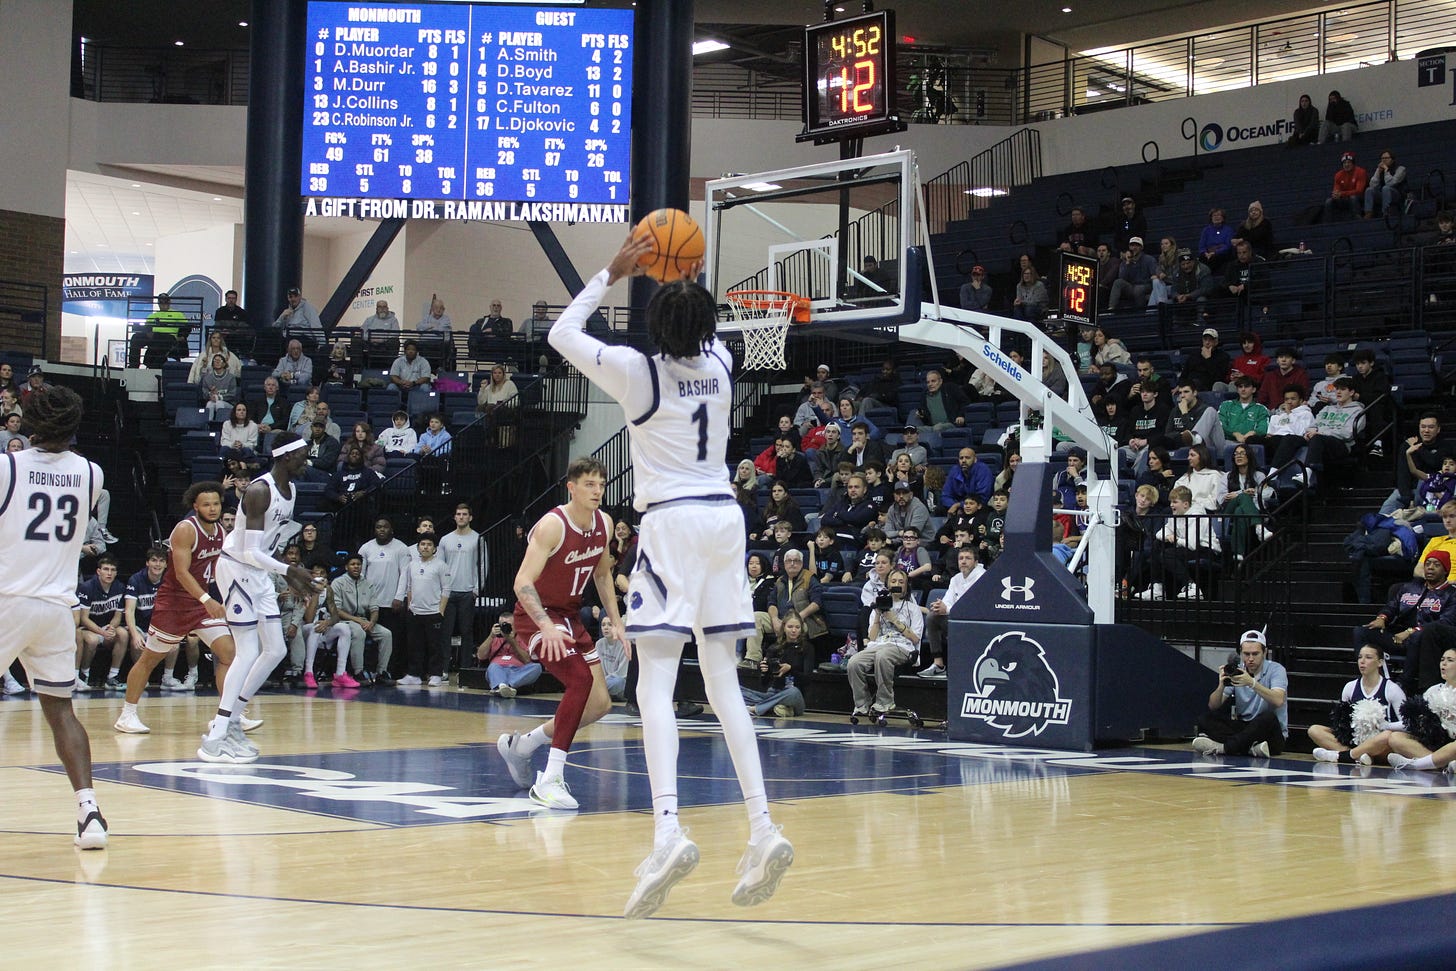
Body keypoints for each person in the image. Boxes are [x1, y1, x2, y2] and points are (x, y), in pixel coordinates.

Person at [547, 234, 792, 917]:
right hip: (725, 519)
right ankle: (763, 825)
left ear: (654, 326)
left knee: (654, 684)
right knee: (724, 687)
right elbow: (692, 320)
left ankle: (667, 830)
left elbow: (563, 331)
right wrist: (686, 275)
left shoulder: (634, 371)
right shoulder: (720, 359)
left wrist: (615, 270)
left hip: (673, 522)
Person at [0, 385, 110, 848]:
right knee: (60, 711)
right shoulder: (91, 473)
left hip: (8, 598)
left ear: (30, 423)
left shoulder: (7, 466)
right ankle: (90, 814)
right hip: (57, 608)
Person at [494, 457, 625, 810]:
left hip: (569, 617)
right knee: (580, 681)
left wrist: (617, 619)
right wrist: (546, 626)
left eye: (601, 484)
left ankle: (523, 746)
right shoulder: (553, 525)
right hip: (537, 618)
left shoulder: (605, 524)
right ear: (572, 487)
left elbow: (601, 575)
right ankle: (550, 779)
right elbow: (522, 581)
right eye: (589, 484)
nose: (598, 491)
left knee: (600, 703)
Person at [201, 432, 319, 763]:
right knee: (248, 650)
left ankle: (231, 720)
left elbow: (268, 545)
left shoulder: (291, 490)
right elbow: (249, 551)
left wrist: (288, 574)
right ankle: (216, 737)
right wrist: (288, 570)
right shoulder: (258, 491)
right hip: (237, 569)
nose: (306, 461)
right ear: (284, 457)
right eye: (301, 455)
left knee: (276, 649)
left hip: (260, 572)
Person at [114, 483, 239, 734]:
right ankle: (127, 715)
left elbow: (217, 569)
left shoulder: (221, 532)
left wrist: (229, 596)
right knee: (150, 659)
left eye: (216, 503)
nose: (212, 508)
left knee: (230, 654)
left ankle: (228, 715)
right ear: (195, 506)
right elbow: (181, 573)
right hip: (174, 604)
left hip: (200, 603)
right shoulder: (185, 529)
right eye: (206, 504)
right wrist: (207, 599)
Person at [1191, 630, 1288, 757]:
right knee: (1205, 719)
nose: (1251, 659)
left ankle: (1224, 748)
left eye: (1255, 654)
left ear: (1264, 652)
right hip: (1245, 726)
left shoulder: (1276, 670)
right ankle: (1249, 748)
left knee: (1267, 718)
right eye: (1246, 654)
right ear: (1241, 653)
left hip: (1270, 734)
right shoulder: (1237, 671)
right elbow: (1213, 705)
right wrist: (1221, 685)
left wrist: (1252, 683)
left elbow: (1278, 700)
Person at [1308, 644, 1407, 765]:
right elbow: (1341, 720)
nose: (1362, 661)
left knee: (1387, 736)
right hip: (1355, 740)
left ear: (1380, 662)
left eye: (1368, 657)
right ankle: (1358, 756)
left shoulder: (1392, 689)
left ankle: (1344, 755)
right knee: (1315, 730)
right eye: (1360, 657)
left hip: (1381, 744)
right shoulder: (1350, 687)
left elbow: (1407, 724)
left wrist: (1385, 726)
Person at [847, 568, 923, 718]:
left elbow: (915, 638)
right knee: (854, 662)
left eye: (901, 582)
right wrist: (877, 616)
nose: (897, 584)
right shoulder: (878, 608)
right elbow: (872, 638)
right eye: (893, 581)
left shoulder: (913, 608)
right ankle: (862, 704)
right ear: (887, 584)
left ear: (906, 586)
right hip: (878, 644)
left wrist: (895, 620)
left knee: (883, 656)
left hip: (903, 646)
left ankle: (885, 702)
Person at [1383, 648, 1456, 770]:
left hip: (1452, 742)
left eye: (1450, 660)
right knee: (1395, 738)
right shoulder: (1433, 690)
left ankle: (1416, 764)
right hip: (1433, 742)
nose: (1444, 663)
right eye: (1442, 660)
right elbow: (1415, 722)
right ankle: (1443, 764)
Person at [919, 545, 985, 679]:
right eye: (961, 558)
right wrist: (940, 606)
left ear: (976, 562)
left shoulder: (982, 577)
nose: (963, 561)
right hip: (957, 621)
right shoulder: (956, 579)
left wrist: (947, 609)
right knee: (933, 616)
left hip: (976, 624)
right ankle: (938, 665)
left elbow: (972, 607)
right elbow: (948, 600)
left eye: (968, 558)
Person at [329, 553, 391, 687]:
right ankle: (358, 672)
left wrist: (372, 622)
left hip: (364, 620)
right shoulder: (338, 583)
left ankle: (381, 672)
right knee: (359, 632)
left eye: (358, 564)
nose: (356, 567)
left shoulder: (368, 584)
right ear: (346, 567)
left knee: (386, 634)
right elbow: (336, 610)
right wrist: (357, 620)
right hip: (344, 621)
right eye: (352, 564)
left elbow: (374, 607)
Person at [439, 502, 484, 680]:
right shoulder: (445, 539)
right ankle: (442, 669)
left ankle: (465, 670)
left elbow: (482, 564)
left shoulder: (478, 538)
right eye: (458, 514)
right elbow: (440, 567)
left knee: (467, 632)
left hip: (467, 592)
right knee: (445, 632)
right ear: (454, 517)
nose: (461, 517)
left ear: (470, 517)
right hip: (448, 593)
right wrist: (442, 591)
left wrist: (476, 589)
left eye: (465, 514)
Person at [400, 535, 450, 687]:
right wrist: (410, 606)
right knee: (414, 645)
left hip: (433, 612)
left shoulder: (441, 565)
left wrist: (440, 610)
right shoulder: (412, 565)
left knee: (435, 646)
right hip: (415, 612)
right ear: (418, 547)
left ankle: (436, 674)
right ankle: (414, 674)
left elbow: (446, 589)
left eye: (429, 544)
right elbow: (409, 587)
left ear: (434, 548)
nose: (425, 547)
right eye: (422, 544)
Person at [75, 556, 129, 691]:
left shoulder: (120, 587)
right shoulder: (87, 588)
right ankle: (84, 674)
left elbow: (118, 615)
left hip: (105, 626)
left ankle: (112, 677)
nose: (109, 573)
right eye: (106, 569)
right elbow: (84, 618)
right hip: (87, 627)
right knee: (92, 640)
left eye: (112, 570)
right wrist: (101, 632)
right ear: (98, 571)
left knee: (123, 634)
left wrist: (112, 627)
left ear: (116, 573)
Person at [741, 612, 810, 718]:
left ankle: (756, 708)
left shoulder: (807, 648)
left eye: (797, 627)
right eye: (790, 626)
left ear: (801, 629)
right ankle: (777, 708)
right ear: (784, 628)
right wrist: (763, 671)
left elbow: (807, 680)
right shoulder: (774, 648)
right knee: (739, 691)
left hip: (792, 694)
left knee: (793, 692)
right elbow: (764, 683)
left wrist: (790, 669)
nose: (793, 630)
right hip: (773, 692)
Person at [477, 610, 542, 698]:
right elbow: (481, 656)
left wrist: (512, 641)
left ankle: (503, 686)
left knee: (537, 667)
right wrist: (491, 636)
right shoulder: (494, 637)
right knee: (493, 666)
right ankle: (505, 686)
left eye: (508, 625)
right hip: (498, 669)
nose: (505, 628)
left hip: (518, 671)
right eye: (503, 625)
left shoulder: (522, 638)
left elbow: (527, 660)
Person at [1178, 328, 1231, 394]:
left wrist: (1208, 359)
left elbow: (1219, 377)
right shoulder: (1194, 355)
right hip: (1190, 384)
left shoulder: (1223, 356)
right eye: (1205, 340)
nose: (1207, 342)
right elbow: (1184, 374)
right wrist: (1179, 385)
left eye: (1210, 340)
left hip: (1209, 386)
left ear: (1216, 342)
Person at [1323, 151, 1368, 222]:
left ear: (1353, 163)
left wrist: (1342, 194)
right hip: (1344, 198)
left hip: (1359, 198)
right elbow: (1336, 190)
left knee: (1353, 198)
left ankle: (1358, 219)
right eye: (1344, 163)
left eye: (1349, 162)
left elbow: (1359, 191)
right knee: (1329, 201)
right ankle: (1328, 223)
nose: (1346, 165)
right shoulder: (1338, 175)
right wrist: (1336, 194)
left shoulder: (1361, 172)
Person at [1364, 150, 1406, 219]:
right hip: (1384, 194)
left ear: (1392, 159)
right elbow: (1372, 185)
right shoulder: (1380, 169)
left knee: (1386, 188)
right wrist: (1378, 172)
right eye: (1382, 158)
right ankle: (1368, 212)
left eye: (1386, 158)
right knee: (1369, 190)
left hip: (1397, 194)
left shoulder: (1401, 169)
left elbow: (1391, 183)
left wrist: (1386, 171)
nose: (1384, 160)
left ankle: (1386, 212)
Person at [361, 299, 401, 366]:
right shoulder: (369, 319)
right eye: (380, 307)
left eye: (384, 307)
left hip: (385, 344)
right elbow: (362, 332)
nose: (382, 309)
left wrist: (383, 339)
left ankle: (391, 366)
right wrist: (370, 338)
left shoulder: (393, 320)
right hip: (370, 343)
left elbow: (396, 333)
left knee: (394, 341)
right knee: (357, 340)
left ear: (387, 308)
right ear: (376, 309)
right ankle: (357, 368)